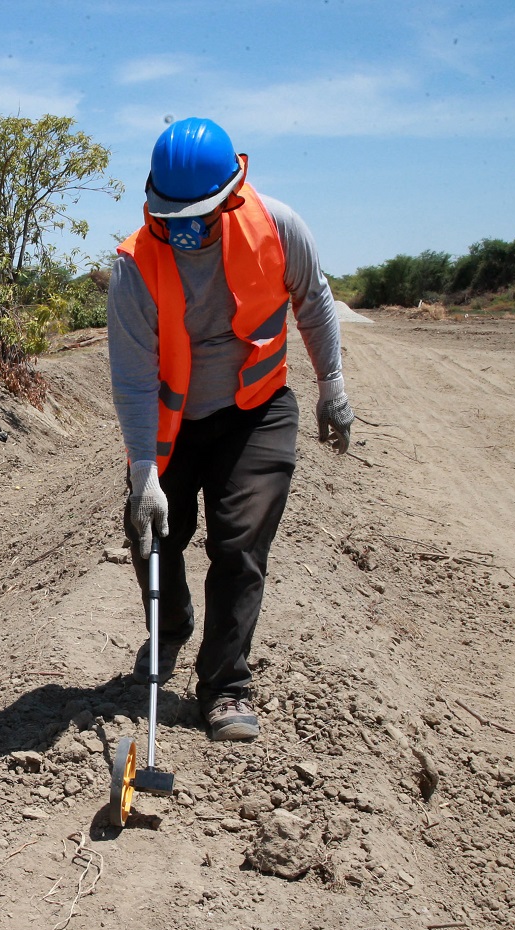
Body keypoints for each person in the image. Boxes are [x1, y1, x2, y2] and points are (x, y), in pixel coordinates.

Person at [106, 117, 354, 742]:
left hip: (257, 411)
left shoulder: (278, 226)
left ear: (232, 194)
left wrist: (333, 388)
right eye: (172, 218)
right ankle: (169, 633)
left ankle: (224, 686)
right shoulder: (136, 268)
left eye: (200, 217)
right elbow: (133, 380)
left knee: (239, 546)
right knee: (151, 535)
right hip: (174, 425)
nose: (185, 231)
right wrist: (143, 474)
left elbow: (315, 301)